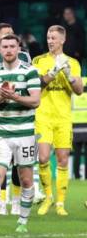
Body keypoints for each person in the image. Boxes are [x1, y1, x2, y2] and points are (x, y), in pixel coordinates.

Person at [0, 34, 41, 234]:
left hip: (24, 134)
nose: (9, 50)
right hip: (0, 132)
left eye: (12, 46)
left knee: (27, 180)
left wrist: (14, 96)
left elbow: (35, 101)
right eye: (5, 46)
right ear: (0, 48)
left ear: (18, 48)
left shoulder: (30, 71)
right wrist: (0, 97)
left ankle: (22, 221)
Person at [33, 25, 84, 216]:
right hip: (43, 116)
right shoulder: (38, 60)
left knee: (63, 160)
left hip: (63, 118)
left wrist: (69, 75)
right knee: (43, 157)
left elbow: (79, 90)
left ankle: (61, 203)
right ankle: (48, 197)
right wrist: (51, 73)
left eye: (54, 38)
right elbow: (35, 86)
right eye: (48, 37)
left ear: (63, 40)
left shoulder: (73, 62)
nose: (50, 41)